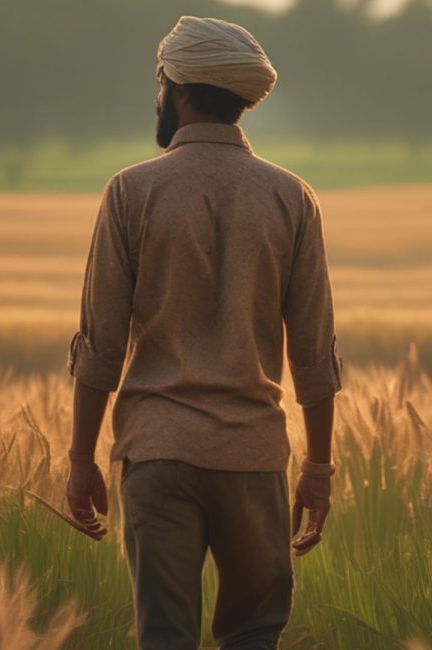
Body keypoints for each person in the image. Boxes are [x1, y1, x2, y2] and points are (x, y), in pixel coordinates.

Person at [63, 15, 344, 650]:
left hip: (157, 451)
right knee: (253, 634)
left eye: (161, 82)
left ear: (180, 89)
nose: (158, 96)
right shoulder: (290, 198)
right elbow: (315, 353)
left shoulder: (131, 192)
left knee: (165, 638)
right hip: (253, 453)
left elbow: (100, 345)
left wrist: (82, 459)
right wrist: (319, 470)